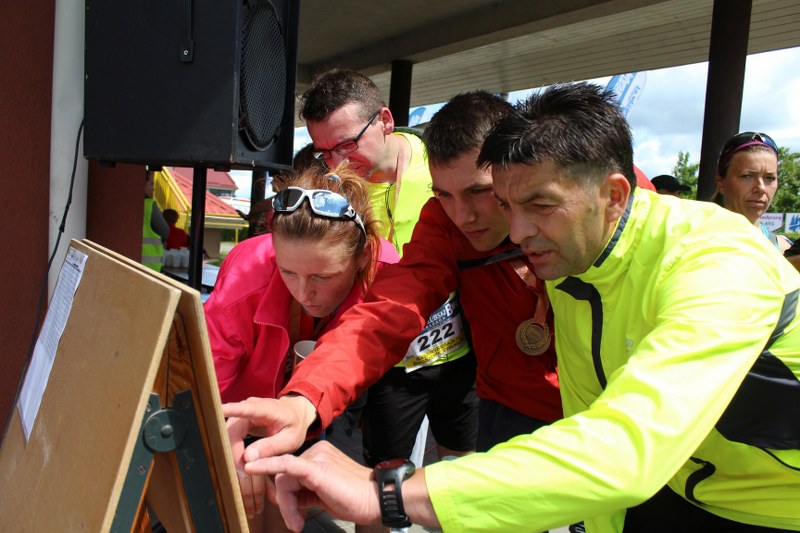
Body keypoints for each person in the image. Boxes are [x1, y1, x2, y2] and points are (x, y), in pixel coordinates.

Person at [235, 82, 800, 533]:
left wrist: (386, 494)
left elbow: (626, 450)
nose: (515, 229)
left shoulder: (714, 259)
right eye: (446, 195)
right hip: (615, 456)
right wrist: (305, 398)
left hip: (756, 503)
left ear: (614, 195)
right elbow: (390, 310)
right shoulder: (568, 236)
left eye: (531, 203)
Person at [204, 163, 399, 531]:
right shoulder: (246, 274)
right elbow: (208, 382)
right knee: (244, 509)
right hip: (242, 409)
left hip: (317, 404)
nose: (304, 293)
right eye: (288, 272)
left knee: (289, 509)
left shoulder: (386, 271)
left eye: (323, 276)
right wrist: (220, 434)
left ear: (361, 257)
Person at [300, 68, 479, 469]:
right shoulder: (335, 191)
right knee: (381, 479)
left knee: (460, 468)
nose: (337, 162)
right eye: (324, 152)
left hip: (459, 355)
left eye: (346, 144)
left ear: (384, 120)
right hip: (389, 361)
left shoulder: (444, 167)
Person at [715, 131, 792, 252]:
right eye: (747, 176)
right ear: (721, 183)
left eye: (769, 178)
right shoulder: (693, 241)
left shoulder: (785, 251)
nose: (761, 188)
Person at [142, 169, 168, 271]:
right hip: (149, 267)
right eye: (151, 184)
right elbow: (164, 231)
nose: (153, 188)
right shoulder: (149, 206)